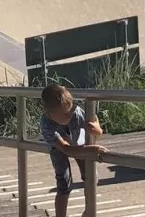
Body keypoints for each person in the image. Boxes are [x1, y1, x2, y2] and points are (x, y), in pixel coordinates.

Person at [40, 83, 105, 217]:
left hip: (77, 141)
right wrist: (88, 149)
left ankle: (89, 211)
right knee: (64, 182)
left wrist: (97, 131)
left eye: (71, 110)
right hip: (59, 147)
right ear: (49, 113)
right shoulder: (46, 123)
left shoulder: (76, 112)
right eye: (65, 114)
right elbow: (65, 149)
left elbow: (97, 131)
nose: (70, 115)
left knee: (91, 175)